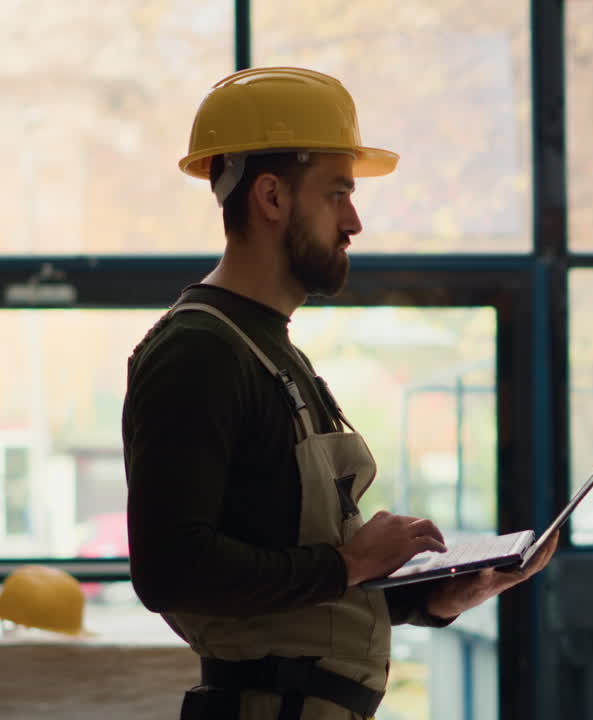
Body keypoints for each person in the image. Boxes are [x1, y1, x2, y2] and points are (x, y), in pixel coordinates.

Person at [122, 67, 555, 720]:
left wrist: (432, 597)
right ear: (272, 197)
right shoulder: (199, 352)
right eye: (337, 194)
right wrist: (349, 563)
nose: (353, 221)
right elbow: (172, 569)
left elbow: (295, 571)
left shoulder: (273, 351)